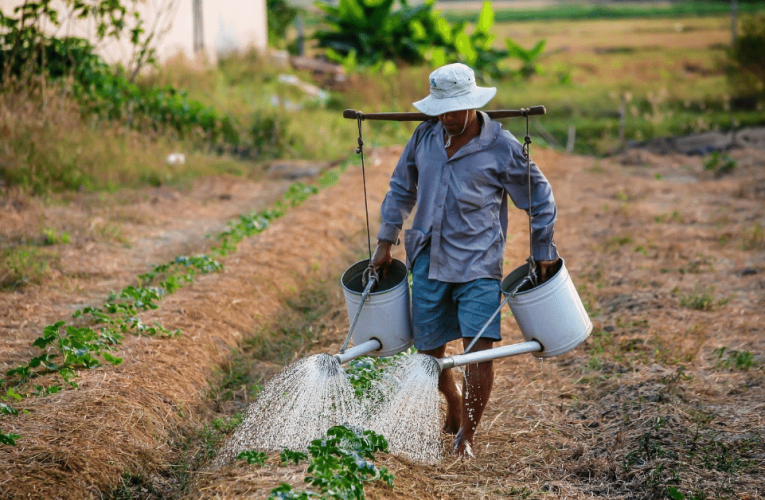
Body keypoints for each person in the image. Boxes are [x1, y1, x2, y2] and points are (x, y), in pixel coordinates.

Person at [370, 63, 559, 457]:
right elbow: (400, 189)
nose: (448, 117)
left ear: (473, 105)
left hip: (478, 264)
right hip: (428, 259)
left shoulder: (501, 147)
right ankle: (453, 402)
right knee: (429, 353)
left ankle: (466, 438)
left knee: (479, 350)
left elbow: (540, 199)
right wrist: (385, 241)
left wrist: (542, 250)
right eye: (441, 110)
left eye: (455, 110)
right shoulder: (424, 137)